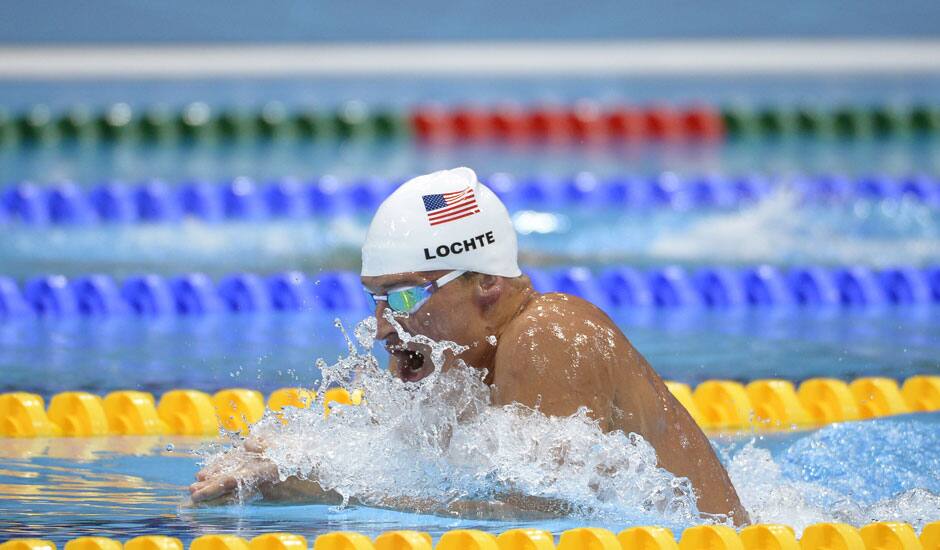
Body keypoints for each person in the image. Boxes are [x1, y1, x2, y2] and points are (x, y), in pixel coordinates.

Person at [190, 167, 749, 525]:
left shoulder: (548, 337)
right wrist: (283, 455)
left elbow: (540, 516)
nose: (385, 326)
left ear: (487, 283)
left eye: (405, 299)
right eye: (377, 300)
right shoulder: (470, 363)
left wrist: (312, 489)